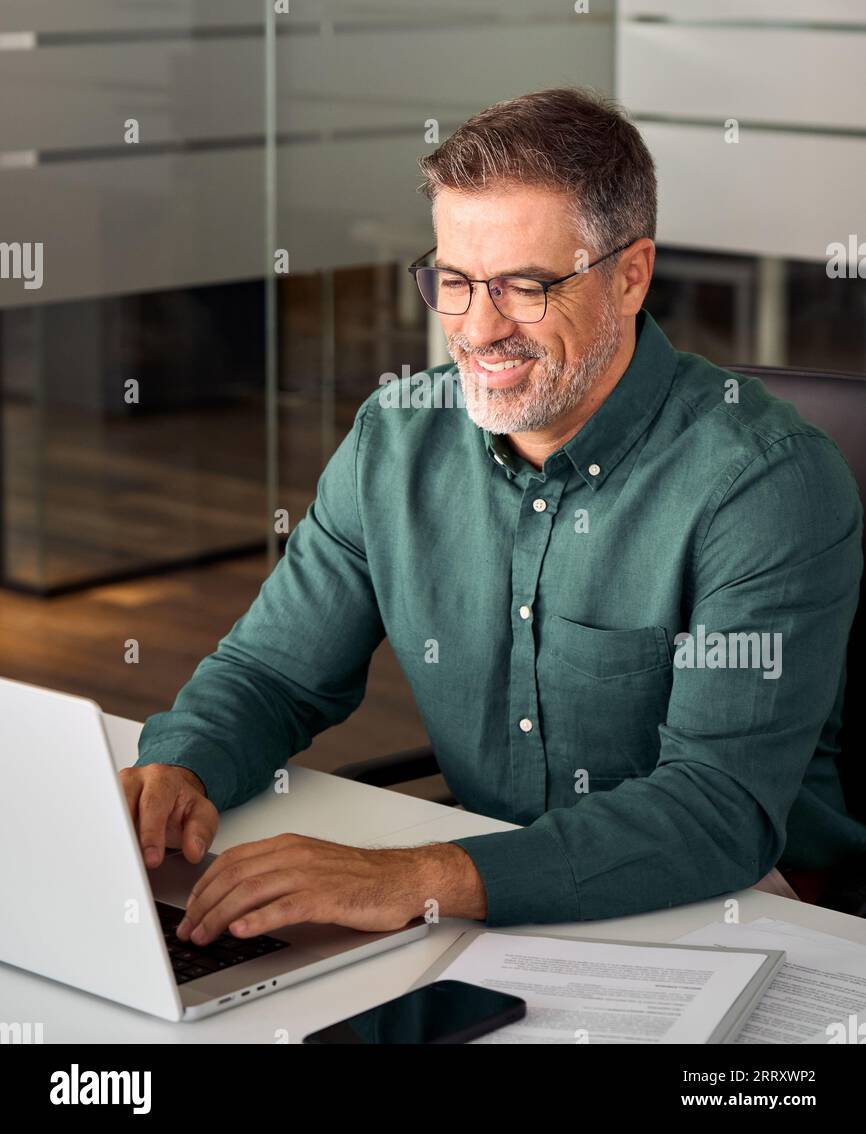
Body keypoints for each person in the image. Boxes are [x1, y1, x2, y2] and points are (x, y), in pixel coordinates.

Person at [122, 87, 865, 948]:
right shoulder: (394, 439)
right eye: (454, 280)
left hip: (730, 909)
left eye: (523, 286)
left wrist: (422, 878)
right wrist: (183, 761)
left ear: (630, 275)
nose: (476, 328)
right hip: (484, 900)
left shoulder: (762, 482)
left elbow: (715, 811)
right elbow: (274, 675)